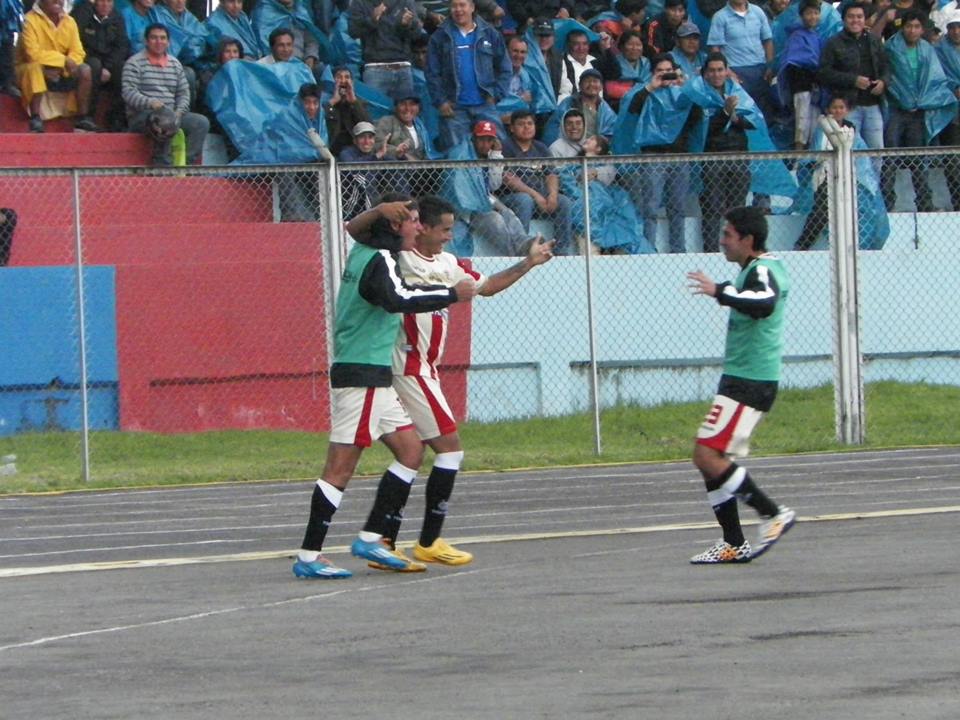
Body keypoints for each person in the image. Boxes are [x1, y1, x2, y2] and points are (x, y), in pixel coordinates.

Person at [353, 195, 553, 570]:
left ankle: (385, 541)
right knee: (449, 450)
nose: (449, 236)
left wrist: (528, 263)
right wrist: (381, 213)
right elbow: (359, 235)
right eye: (444, 229)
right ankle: (426, 541)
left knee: (412, 454)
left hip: (426, 371)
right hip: (408, 369)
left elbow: (486, 286)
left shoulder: (447, 264)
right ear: (421, 228)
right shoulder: (399, 258)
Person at [292, 196, 478, 579]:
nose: (418, 228)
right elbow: (398, 299)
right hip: (361, 374)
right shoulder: (380, 260)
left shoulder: (365, 249)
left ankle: (371, 538)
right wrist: (450, 295)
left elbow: (355, 228)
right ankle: (309, 556)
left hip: (376, 376)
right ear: (395, 227)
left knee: (411, 451)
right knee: (339, 468)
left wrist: (378, 212)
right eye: (412, 221)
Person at [685, 205, 795, 564]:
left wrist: (719, 291)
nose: (722, 241)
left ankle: (772, 513)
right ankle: (733, 541)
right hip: (740, 378)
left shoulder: (763, 270)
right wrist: (727, 290)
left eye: (728, 235)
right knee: (711, 459)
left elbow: (764, 302)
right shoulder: (752, 270)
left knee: (706, 454)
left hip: (750, 380)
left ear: (748, 240)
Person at [615, 54, 701, 253]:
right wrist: (650, 87)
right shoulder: (645, 92)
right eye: (660, 71)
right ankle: (648, 249)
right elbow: (632, 110)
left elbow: (696, 117)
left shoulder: (682, 94)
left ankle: (678, 250)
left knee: (678, 207)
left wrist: (687, 87)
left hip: (679, 156)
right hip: (653, 156)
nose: (665, 75)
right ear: (652, 73)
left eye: (668, 71)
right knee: (650, 207)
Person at [882, 10, 957, 212]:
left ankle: (924, 203)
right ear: (902, 27)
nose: (912, 30)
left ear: (922, 29)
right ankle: (886, 203)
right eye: (909, 26)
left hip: (918, 111)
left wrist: (921, 101)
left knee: (918, 158)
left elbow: (935, 79)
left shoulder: (927, 50)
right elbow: (888, 77)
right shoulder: (890, 48)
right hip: (896, 110)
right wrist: (903, 98)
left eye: (916, 27)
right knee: (889, 155)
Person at [793, 94, 889, 250]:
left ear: (847, 110)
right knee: (821, 211)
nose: (838, 111)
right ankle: (803, 244)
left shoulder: (852, 130)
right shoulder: (822, 129)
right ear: (828, 110)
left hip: (850, 178)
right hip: (826, 178)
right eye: (834, 108)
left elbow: (862, 159)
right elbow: (814, 155)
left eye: (841, 107)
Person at [426, 0, 511, 150]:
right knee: (457, 154)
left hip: (485, 105)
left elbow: (505, 67)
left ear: (472, 7)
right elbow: (432, 73)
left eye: (462, 5)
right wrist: (441, 101)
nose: (458, 9)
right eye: (454, 6)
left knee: (498, 149)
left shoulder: (490, 33)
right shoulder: (439, 37)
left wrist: (496, 94)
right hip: (454, 108)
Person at [122, 23, 210, 166]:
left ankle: (185, 165)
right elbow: (128, 93)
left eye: (163, 38)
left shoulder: (175, 64)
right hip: (142, 116)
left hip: (172, 113)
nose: (159, 42)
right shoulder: (134, 63)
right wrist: (151, 103)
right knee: (165, 120)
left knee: (201, 122)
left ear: (168, 42)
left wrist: (179, 112)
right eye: (154, 38)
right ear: (146, 41)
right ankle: (162, 165)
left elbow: (183, 93)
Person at [444, 118, 533, 256]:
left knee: (507, 212)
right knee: (495, 219)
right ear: (474, 139)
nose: (485, 144)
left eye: (489, 140)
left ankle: (523, 243)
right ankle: (515, 255)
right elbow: (458, 192)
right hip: (466, 209)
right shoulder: (461, 154)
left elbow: (494, 185)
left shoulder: (490, 155)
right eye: (481, 140)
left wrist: (496, 155)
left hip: (485, 198)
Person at [696, 53, 755, 253]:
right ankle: (711, 252)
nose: (716, 74)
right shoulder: (699, 95)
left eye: (720, 70)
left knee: (738, 209)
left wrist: (736, 117)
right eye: (712, 70)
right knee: (712, 207)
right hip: (712, 157)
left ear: (726, 71)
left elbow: (753, 121)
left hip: (738, 155)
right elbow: (704, 129)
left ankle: (737, 251)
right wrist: (725, 112)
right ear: (705, 73)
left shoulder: (737, 91)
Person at [15, 0, 100, 133]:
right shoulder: (29, 20)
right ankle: (36, 118)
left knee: (85, 69)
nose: (58, 1)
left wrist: (63, 67)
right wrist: (62, 61)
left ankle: (82, 118)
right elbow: (33, 54)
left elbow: (78, 52)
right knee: (34, 68)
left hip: (61, 70)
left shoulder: (69, 21)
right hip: (31, 69)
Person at [500, 109, 575, 255]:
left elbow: (551, 174)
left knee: (564, 202)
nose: (526, 127)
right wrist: (536, 196)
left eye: (530, 123)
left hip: (540, 200)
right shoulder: (505, 147)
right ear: (512, 128)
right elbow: (509, 179)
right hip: (511, 199)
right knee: (524, 200)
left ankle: (562, 252)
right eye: (521, 124)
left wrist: (552, 195)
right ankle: (521, 250)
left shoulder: (540, 147)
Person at [817, 2, 888, 151]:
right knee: (849, 150)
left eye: (859, 16)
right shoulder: (833, 43)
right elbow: (824, 73)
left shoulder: (874, 41)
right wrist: (853, 80)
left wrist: (883, 82)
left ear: (865, 19)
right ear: (843, 19)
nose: (855, 20)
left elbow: (886, 68)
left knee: (877, 150)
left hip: (873, 105)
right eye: (851, 17)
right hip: (847, 107)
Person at [71, 0, 129, 132]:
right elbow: (77, 41)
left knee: (123, 68)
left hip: (108, 60)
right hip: (87, 57)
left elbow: (121, 46)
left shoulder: (117, 17)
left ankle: (116, 117)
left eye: (109, 1)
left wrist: (108, 67)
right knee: (94, 66)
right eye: (102, 1)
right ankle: (88, 116)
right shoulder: (83, 13)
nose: (105, 5)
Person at [347, 0, 421, 102]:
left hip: (403, 68)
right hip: (374, 69)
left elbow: (416, 34)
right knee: (375, 111)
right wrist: (372, 20)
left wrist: (406, 25)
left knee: (407, 111)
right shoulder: (360, 2)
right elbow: (353, 31)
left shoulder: (405, 2)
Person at [777, 0, 823, 149]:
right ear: (802, 16)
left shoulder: (816, 36)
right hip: (801, 86)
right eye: (809, 13)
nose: (813, 16)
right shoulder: (797, 36)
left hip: (815, 88)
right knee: (802, 123)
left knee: (814, 124)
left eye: (816, 13)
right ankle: (799, 156)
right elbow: (793, 61)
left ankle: (812, 158)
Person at [543, 66, 616, 143]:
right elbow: (553, 129)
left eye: (595, 81)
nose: (591, 84)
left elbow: (612, 133)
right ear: (580, 86)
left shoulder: (606, 110)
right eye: (587, 81)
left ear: (601, 87)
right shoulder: (568, 103)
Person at [936, 12, 960, 210]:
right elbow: (936, 77)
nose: (957, 31)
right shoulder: (939, 51)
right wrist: (954, 87)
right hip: (950, 112)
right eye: (952, 27)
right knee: (952, 159)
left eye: (959, 27)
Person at [595, 29, 650, 111]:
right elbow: (610, 89)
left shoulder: (647, 64)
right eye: (630, 44)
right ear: (622, 47)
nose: (634, 48)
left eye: (638, 45)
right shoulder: (612, 63)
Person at [324, 65, 369, 156]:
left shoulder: (359, 103)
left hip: (354, 150)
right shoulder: (326, 102)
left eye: (347, 77)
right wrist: (333, 102)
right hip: (330, 149)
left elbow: (367, 126)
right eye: (339, 77)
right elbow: (318, 121)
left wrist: (354, 102)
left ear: (352, 83)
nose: (343, 81)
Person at [556, 28, 598, 103]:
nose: (581, 48)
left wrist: (607, 48)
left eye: (584, 44)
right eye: (576, 44)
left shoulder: (594, 61)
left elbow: (615, 73)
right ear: (569, 45)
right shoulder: (560, 63)